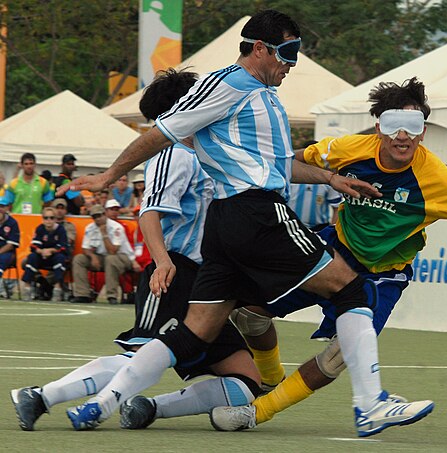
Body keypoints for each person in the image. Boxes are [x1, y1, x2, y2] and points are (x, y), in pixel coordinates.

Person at [59, 10, 432, 437]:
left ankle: (103, 404)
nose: (292, 63)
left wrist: (331, 178)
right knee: (351, 289)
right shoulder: (227, 84)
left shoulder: (261, 93)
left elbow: (279, 166)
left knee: (195, 331)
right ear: (259, 48)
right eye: (287, 52)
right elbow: (161, 132)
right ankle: (371, 405)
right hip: (256, 213)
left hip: (227, 223)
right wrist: (109, 176)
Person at [203, 77, 447, 433]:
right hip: (332, 251)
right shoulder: (348, 148)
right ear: (379, 127)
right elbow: (288, 163)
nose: (403, 135)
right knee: (247, 314)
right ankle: (270, 377)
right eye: (394, 124)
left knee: (339, 356)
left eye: (413, 126)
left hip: (383, 275)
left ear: (423, 132)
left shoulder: (439, 179)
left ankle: (257, 413)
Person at [11, 68, 263, 432]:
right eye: (201, 96)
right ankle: (40, 396)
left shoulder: (209, 151)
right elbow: (150, 212)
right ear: (184, 106)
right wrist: (162, 262)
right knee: (141, 356)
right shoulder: (171, 153)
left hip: (209, 283)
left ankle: (148, 408)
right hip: (176, 272)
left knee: (245, 382)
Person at [70, 204, 138, 304]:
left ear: (105, 214)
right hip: (101, 257)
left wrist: (104, 233)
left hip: (123, 257)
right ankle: (82, 294)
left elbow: (113, 251)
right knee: (79, 259)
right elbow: (85, 247)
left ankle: (112, 295)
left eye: (99, 216)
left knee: (110, 259)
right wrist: (92, 256)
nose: (97, 219)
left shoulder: (116, 227)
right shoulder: (90, 228)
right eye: (94, 217)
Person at [21, 207, 68, 302]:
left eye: (51, 218)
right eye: (46, 218)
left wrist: (51, 250)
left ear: (55, 219)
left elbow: (63, 247)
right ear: (42, 219)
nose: (48, 220)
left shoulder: (61, 229)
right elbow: (33, 246)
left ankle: (57, 289)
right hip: (42, 255)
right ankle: (27, 288)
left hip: (55, 255)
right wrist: (42, 251)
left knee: (60, 258)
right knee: (32, 257)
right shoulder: (40, 228)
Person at [0, 197, 20, 298]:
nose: (0, 209)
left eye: (2, 206)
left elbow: (11, 244)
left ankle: (1, 289)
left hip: (7, 253)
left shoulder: (12, 223)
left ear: (7, 208)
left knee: (2, 258)